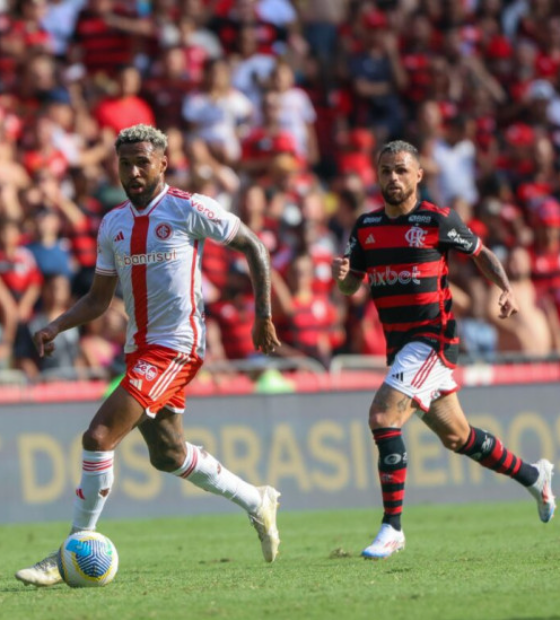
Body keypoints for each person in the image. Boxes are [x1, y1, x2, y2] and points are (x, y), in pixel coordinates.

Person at [15, 124, 282, 587]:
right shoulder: (113, 223)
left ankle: (72, 549)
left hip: (178, 346)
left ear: (162, 163)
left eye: (143, 162)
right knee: (169, 453)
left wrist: (263, 314)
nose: (134, 172)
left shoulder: (188, 208)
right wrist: (57, 325)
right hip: (140, 348)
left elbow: (253, 246)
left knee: (98, 436)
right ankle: (256, 500)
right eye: (125, 163)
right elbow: (100, 300)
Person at [331, 140, 556, 560]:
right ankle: (534, 475)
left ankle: (392, 528)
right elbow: (350, 285)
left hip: (433, 341)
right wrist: (344, 276)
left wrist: (505, 289)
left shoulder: (436, 219)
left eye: (401, 170)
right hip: (400, 347)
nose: (392, 178)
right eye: (385, 171)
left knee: (382, 415)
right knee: (458, 437)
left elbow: (481, 253)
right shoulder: (365, 227)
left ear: (418, 175)